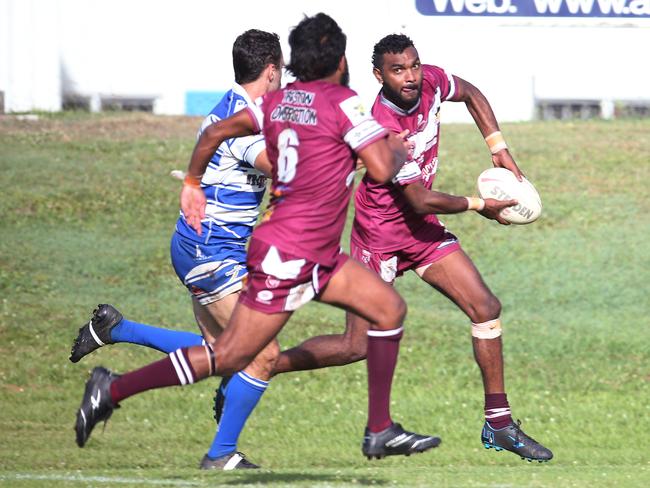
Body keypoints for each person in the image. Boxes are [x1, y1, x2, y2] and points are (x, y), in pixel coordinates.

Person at [74, 13, 441, 463]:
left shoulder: (280, 102)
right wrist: (396, 144)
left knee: (387, 308)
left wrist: (192, 181)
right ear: (342, 61)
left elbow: (214, 133)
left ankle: (379, 429)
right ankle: (118, 391)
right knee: (242, 357)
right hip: (287, 254)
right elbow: (383, 169)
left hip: (316, 253)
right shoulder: (344, 103)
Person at [277, 34, 553, 462]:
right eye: (398, 70)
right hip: (379, 236)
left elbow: (472, 93)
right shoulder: (381, 124)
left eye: (414, 66)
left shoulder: (432, 84)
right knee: (357, 346)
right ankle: (263, 365)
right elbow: (418, 198)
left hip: (420, 232)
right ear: (378, 75)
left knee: (486, 307)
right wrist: (481, 205)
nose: (410, 77)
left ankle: (499, 424)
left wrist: (499, 150)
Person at [70, 29, 284, 470]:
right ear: (271, 71)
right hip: (212, 251)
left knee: (219, 350)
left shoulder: (236, 109)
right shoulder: (242, 122)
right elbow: (283, 167)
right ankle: (219, 451)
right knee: (260, 354)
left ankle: (116, 330)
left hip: (203, 246)